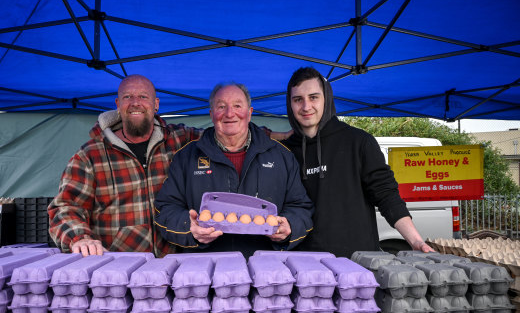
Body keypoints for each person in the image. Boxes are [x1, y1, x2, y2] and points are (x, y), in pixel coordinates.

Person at [283, 67, 433, 258]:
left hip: (357, 264)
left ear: (326, 99)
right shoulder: (284, 151)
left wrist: (415, 240)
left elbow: (386, 194)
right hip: (304, 266)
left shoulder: (359, 142)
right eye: (298, 100)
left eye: (314, 97)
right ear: (290, 104)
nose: (306, 106)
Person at [48, 74, 203, 257]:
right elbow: (65, 207)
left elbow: (222, 137)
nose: (135, 102)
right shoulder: (90, 155)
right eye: (127, 97)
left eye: (143, 96)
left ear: (156, 104)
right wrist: (80, 238)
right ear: (118, 104)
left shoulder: (180, 140)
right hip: (117, 272)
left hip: (174, 266)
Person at [154, 82, 314, 258]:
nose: (230, 113)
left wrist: (289, 227)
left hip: (267, 273)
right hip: (204, 274)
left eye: (237, 106)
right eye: (221, 106)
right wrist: (188, 227)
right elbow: (165, 210)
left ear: (249, 113)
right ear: (212, 114)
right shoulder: (186, 157)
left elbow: (301, 208)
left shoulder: (282, 156)